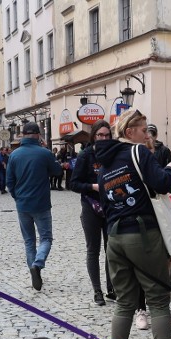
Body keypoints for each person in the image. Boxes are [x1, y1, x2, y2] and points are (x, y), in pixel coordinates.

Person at [94, 108, 171, 339]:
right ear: (130, 131)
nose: (147, 136)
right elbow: (162, 183)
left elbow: (105, 203)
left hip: (115, 237)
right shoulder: (137, 152)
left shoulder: (105, 164)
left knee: (124, 301)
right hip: (142, 235)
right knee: (158, 299)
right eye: (143, 131)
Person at [5, 121, 63, 291]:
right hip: (41, 204)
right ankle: (38, 264)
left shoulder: (14, 155)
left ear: (23, 135)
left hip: (23, 204)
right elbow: (58, 171)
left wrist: (18, 197)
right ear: (38, 135)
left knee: (29, 241)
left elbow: (9, 181)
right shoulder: (44, 153)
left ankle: (33, 270)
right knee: (46, 238)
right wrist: (46, 149)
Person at [70, 120, 116, 306]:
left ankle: (111, 288)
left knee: (111, 250)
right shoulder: (86, 155)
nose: (104, 139)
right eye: (100, 135)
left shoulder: (114, 154)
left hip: (111, 206)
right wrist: (93, 186)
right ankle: (97, 290)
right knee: (93, 249)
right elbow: (73, 184)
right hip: (91, 205)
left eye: (106, 135)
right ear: (94, 137)